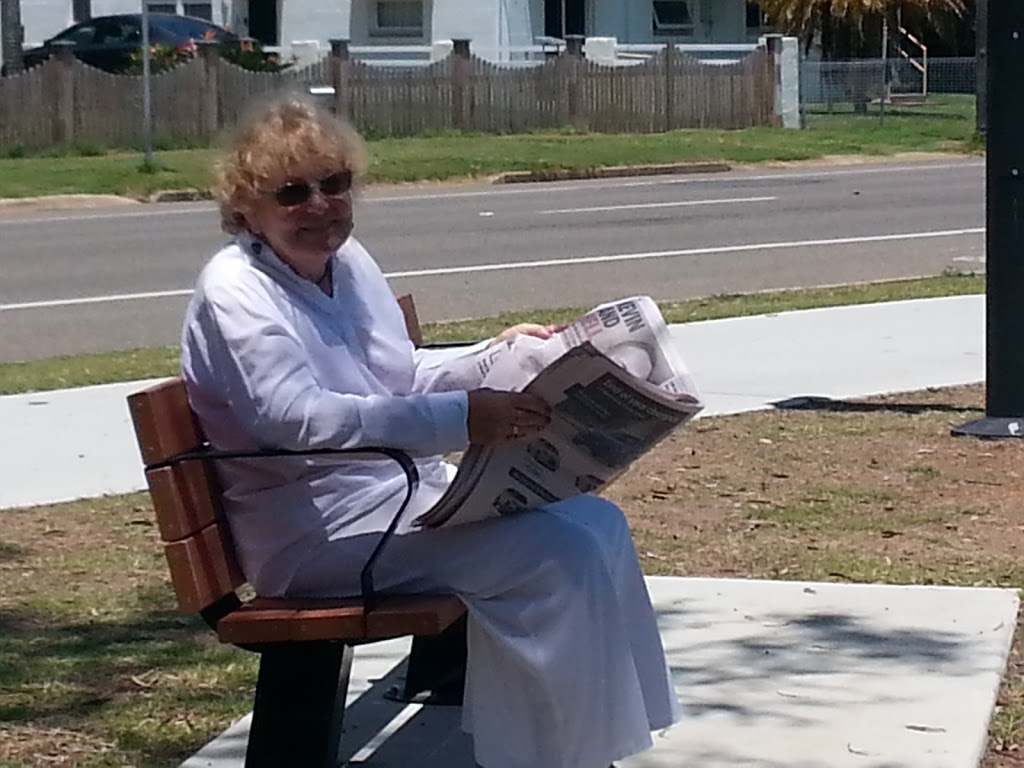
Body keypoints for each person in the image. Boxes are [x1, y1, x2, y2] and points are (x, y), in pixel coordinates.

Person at [180, 94, 681, 768]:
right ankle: (560, 755)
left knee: (597, 525)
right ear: (246, 208)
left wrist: (495, 357)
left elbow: (398, 371)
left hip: (394, 499)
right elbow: (294, 417)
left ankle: (591, 747)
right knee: (555, 556)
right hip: (313, 534)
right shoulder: (236, 290)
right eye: (292, 192)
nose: (320, 206)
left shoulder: (348, 262)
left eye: (335, 184)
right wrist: (464, 416)